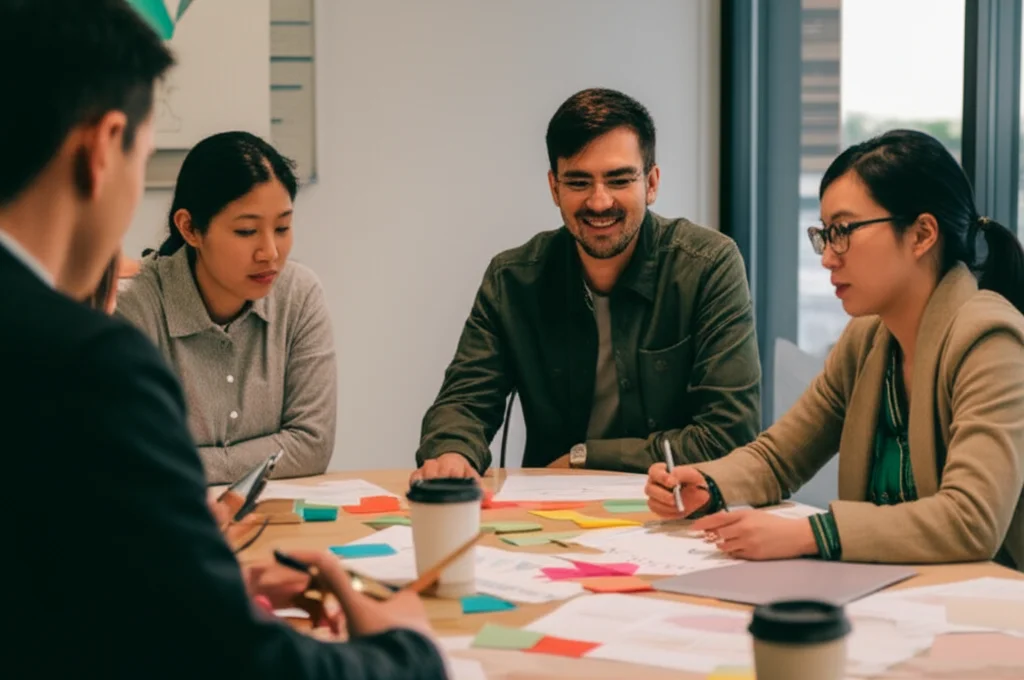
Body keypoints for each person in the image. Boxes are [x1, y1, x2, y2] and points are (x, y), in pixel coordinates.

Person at [0, 2, 447, 678]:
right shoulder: (87, 362)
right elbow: (238, 662)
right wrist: (406, 651)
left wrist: (195, 586)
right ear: (102, 148)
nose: (269, 251)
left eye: (283, 226)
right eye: (144, 154)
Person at [646, 129, 1024, 572]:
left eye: (843, 231)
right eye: (824, 234)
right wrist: (710, 483)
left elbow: (970, 520)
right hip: (897, 592)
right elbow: (778, 457)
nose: (827, 256)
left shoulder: (990, 341)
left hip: (987, 607)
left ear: (922, 234)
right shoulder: (866, 338)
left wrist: (809, 534)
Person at [412, 88, 761, 481]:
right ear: (554, 187)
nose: (599, 202)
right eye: (579, 182)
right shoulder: (512, 279)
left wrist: (585, 457)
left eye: (618, 179)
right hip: (549, 516)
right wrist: (453, 453)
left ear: (651, 183)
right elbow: (464, 402)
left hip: (673, 510)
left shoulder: (709, 266)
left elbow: (731, 434)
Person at [116, 131, 337, 484]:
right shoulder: (135, 307)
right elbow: (133, 457)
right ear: (190, 229)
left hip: (272, 519)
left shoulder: (299, 294)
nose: (270, 252)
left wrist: (187, 463)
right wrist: (264, 459)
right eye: (247, 231)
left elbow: (312, 445)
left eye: (282, 227)